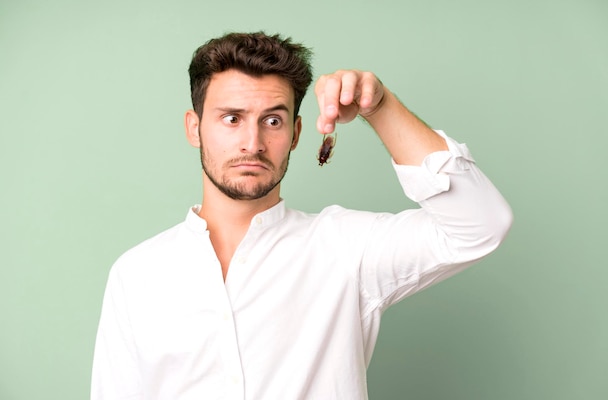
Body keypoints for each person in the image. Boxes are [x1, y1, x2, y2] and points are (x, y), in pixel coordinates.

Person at [91, 31, 513, 399]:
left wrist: (379, 106)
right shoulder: (136, 274)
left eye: (272, 120)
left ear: (294, 134)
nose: (252, 143)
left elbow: (481, 225)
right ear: (194, 127)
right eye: (232, 118)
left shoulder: (345, 250)